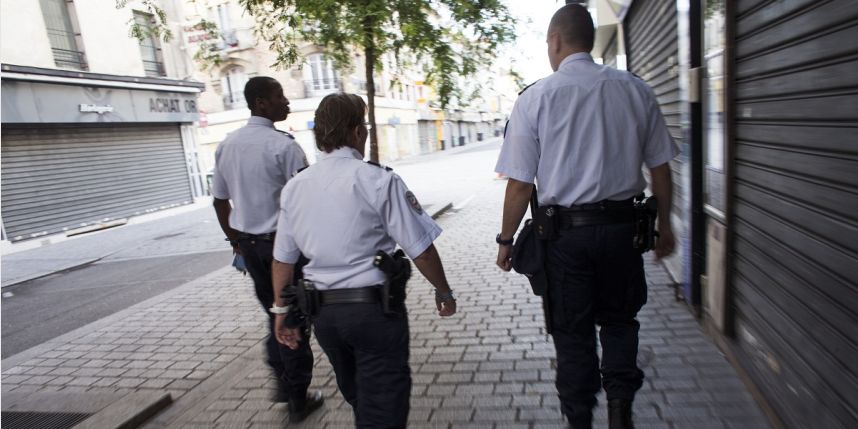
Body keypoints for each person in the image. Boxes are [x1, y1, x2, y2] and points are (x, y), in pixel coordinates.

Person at [494, 4, 679, 429]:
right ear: (589, 40)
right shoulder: (635, 89)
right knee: (619, 321)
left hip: (565, 240)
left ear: (555, 41)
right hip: (622, 232)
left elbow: (520, 184)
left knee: (572, 332)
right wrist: (665, 225)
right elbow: (661, 168)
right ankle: (620, 413)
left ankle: (579, 419)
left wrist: (506, 242)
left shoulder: (535, 98)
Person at [270, 93, 457, 428]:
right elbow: (421, 249)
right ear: (356, 131)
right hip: (374, 314)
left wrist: (281, 314)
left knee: (360, 396)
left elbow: (282, 260)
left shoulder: (295, 187)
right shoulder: (378, 179)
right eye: (366, 126)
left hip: (324, 316)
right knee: (384, 405)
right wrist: (443, 291)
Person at [211, 76, 323, 421]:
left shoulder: (226, 145)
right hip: (283, 251)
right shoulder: (285, 146)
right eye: (279, 96)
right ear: (261, 103)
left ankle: (282, 375)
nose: (286, 101)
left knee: (275, 312)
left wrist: (236, 242)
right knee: (292, 317)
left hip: (250, 248)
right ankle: (297, 397)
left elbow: (219, 201)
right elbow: (306, 201)